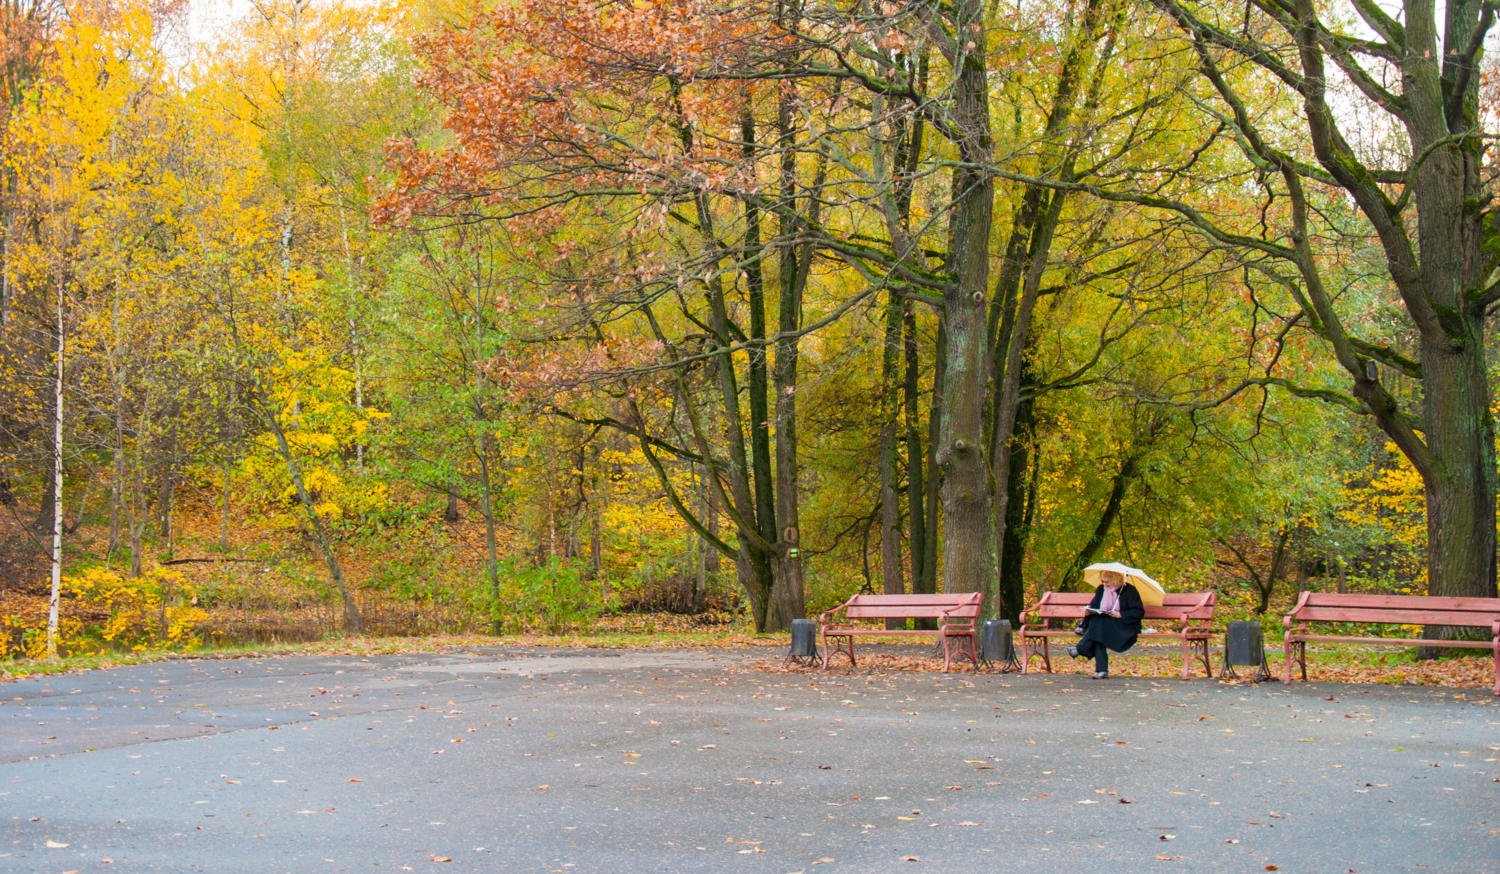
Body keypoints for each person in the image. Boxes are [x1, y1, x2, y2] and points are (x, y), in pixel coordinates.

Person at [1069, 569, 1143, 679]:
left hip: (1124, 626)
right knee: (1099, 629)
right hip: (1103, 625)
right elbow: (1094, 605)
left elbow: (1139, 612)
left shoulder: (1129, 590)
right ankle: (1101, 670)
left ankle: (1081, 649)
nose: (1104, 584)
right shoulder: (1101, 589)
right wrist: (1089, 611)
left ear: (1115, 579)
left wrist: (1120, 614)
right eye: (1103, 581)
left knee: (1098, 627)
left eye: (1107, 581)